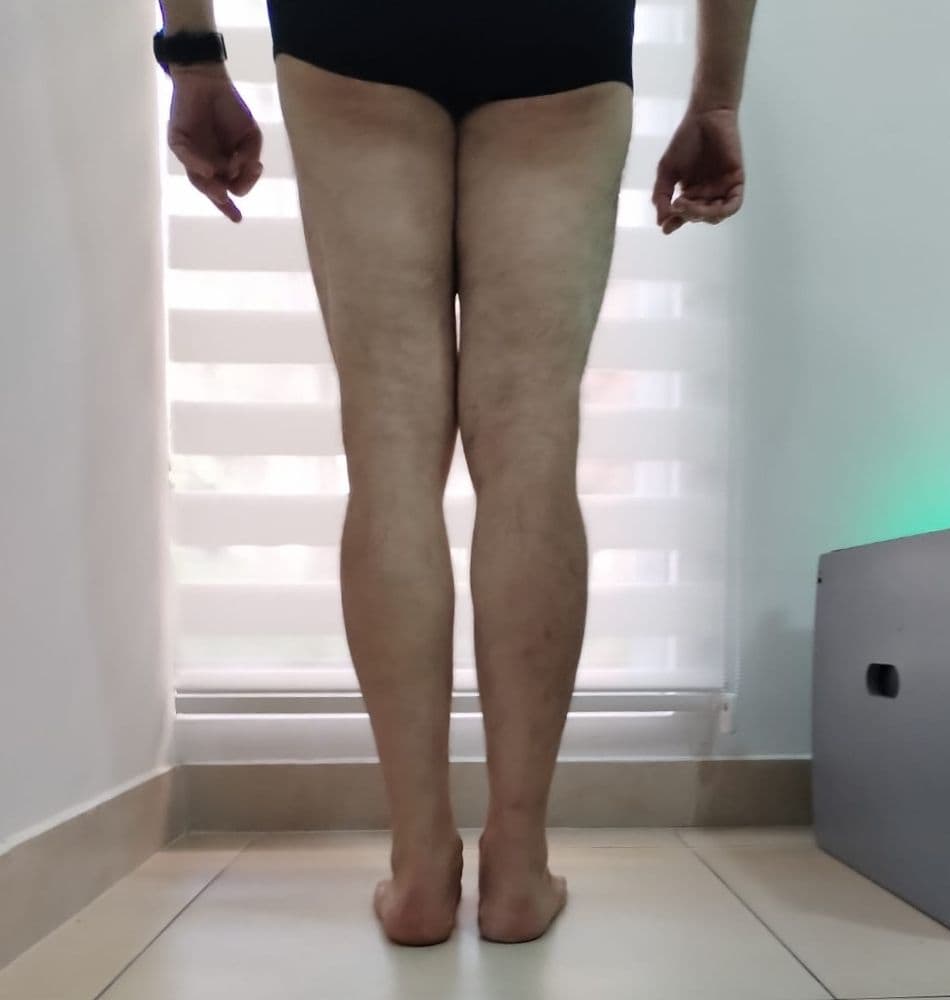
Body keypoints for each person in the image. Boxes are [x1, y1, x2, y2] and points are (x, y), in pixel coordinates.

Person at [157, 0, 756, 948]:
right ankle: (517, 869)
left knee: (389, 451)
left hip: (348, 33)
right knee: (531, 446)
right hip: (561, 33)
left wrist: (192, 57)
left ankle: (420, 869)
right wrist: (716, 97)